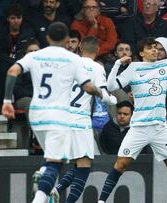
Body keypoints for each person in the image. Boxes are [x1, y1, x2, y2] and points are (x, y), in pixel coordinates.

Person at [1, 22, 102, 203]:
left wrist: (7, 100)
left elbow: (12, 70)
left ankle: (42, 173)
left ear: (47, 37)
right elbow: (87, 87)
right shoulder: (73, 59)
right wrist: (100, 92)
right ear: (66, 40)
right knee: (55, 163)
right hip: (58, 117)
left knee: (50, 159)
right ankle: (39, 199)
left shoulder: (36, 55)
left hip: (37, 114)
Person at [98, 37, 167, 203]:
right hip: (138, 128)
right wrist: (117, 64)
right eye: (150, 47)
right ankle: (101, 201)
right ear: (142, 52)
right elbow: (112, 86)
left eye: (156, 47)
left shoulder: (166, 65)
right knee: (120, 164)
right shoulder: (133, 68)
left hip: (159, 128)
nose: (155, 50)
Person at [48, 36, 117, 203]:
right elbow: (103, 95)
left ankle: (56, 190)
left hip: (62, 119)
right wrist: (114, 100)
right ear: (98, 50)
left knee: (78, 163)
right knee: (85, 167)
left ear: (80, 47)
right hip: (80, 120)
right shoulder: (96, 68)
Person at [0, 3, 36, 104]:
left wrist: (18, 60)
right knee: (3, 69)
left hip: (23, 62)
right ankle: (5, 100)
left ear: (22, 18)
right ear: (7, 19)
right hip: (4, 64)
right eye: (13, 18)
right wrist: (11, 61)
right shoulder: (0, 32)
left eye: (18, 18)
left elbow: (31, 49)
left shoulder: (28, 32)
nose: (16, 21)